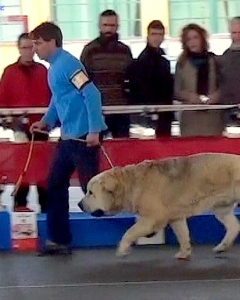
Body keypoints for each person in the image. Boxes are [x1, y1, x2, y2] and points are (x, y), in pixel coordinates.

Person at [29, 22, 108, 255]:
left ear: (52, 42)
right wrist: (46, 122)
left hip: (83, 136)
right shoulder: (54, 68)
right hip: (68, 137)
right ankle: (59, 239)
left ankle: (140, 218)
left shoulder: (68, 64)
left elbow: (91, 93)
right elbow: (59, 99)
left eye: (38, 43)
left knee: (92, 188)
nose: (35, 49)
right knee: (55, 184)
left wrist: (94, 130)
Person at [0, 32, 51, 213]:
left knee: (43, 177)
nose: (28, 51)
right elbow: (1, 104)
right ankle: (20, 214)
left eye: (31, 47)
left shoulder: (44, 71)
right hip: (19, 133)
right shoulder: (9, 72)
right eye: (25, 47)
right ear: (19, 49)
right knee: (22, 176)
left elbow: (53, 99)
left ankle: (45, 216)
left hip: (42, 131)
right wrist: (12, 125)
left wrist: (50, 123)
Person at [80, 10, 133, 138]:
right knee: (96, 150)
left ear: (117, 26)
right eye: (105, 25)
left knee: (123, 150)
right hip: (97, 110)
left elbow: (131, 79)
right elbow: (81, 80)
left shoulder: (125, 51)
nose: (109, 29)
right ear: (99, 26)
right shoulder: (89, 51)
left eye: (112, 25)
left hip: (121, 111)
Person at [174, 23, 223, 137]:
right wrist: (189, 96)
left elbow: (225, 87)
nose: (192, 42)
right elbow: (177, 90)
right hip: (190, 120)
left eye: (195, 38)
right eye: (188, 39)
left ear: (202, 39)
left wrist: (216, 96)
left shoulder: (214, 61)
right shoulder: (181, 64)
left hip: (212, 119)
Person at [127, 20, 174, 137]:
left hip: (163, 113)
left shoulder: (164, 61)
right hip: (148, 114)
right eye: (154, 34)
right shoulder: (141, 63)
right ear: (147, 36)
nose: (157, 38)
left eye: (160, 34)